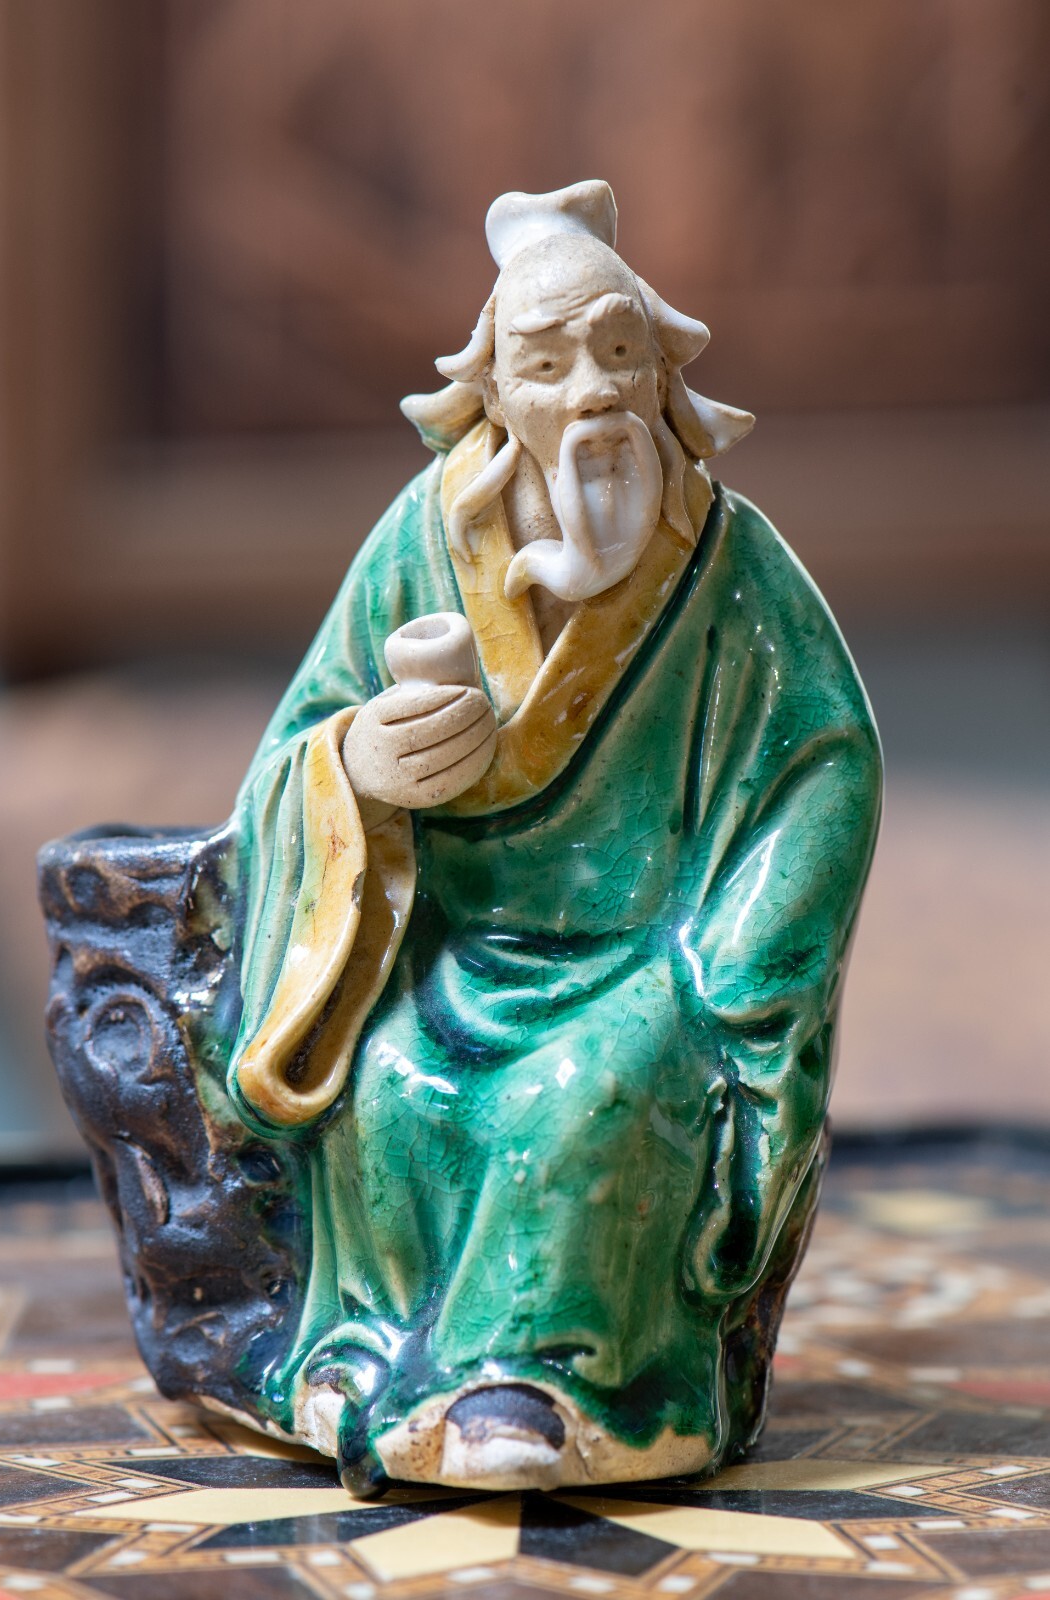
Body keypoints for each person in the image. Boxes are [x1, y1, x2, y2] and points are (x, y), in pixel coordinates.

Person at [225, 181, 882, 1494]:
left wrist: (731, 965)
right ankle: (373, 1353)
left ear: (661, 373)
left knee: (586, 1093)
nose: (590, 393)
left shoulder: (731, 562)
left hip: (646, 964)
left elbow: (826, 762)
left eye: (618, 353)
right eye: (545, 363)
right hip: (454, 952)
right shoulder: (419, 542)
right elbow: (289, 756)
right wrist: (356, 767)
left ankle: (549, 1382)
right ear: (492, 391)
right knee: (385, 1076)